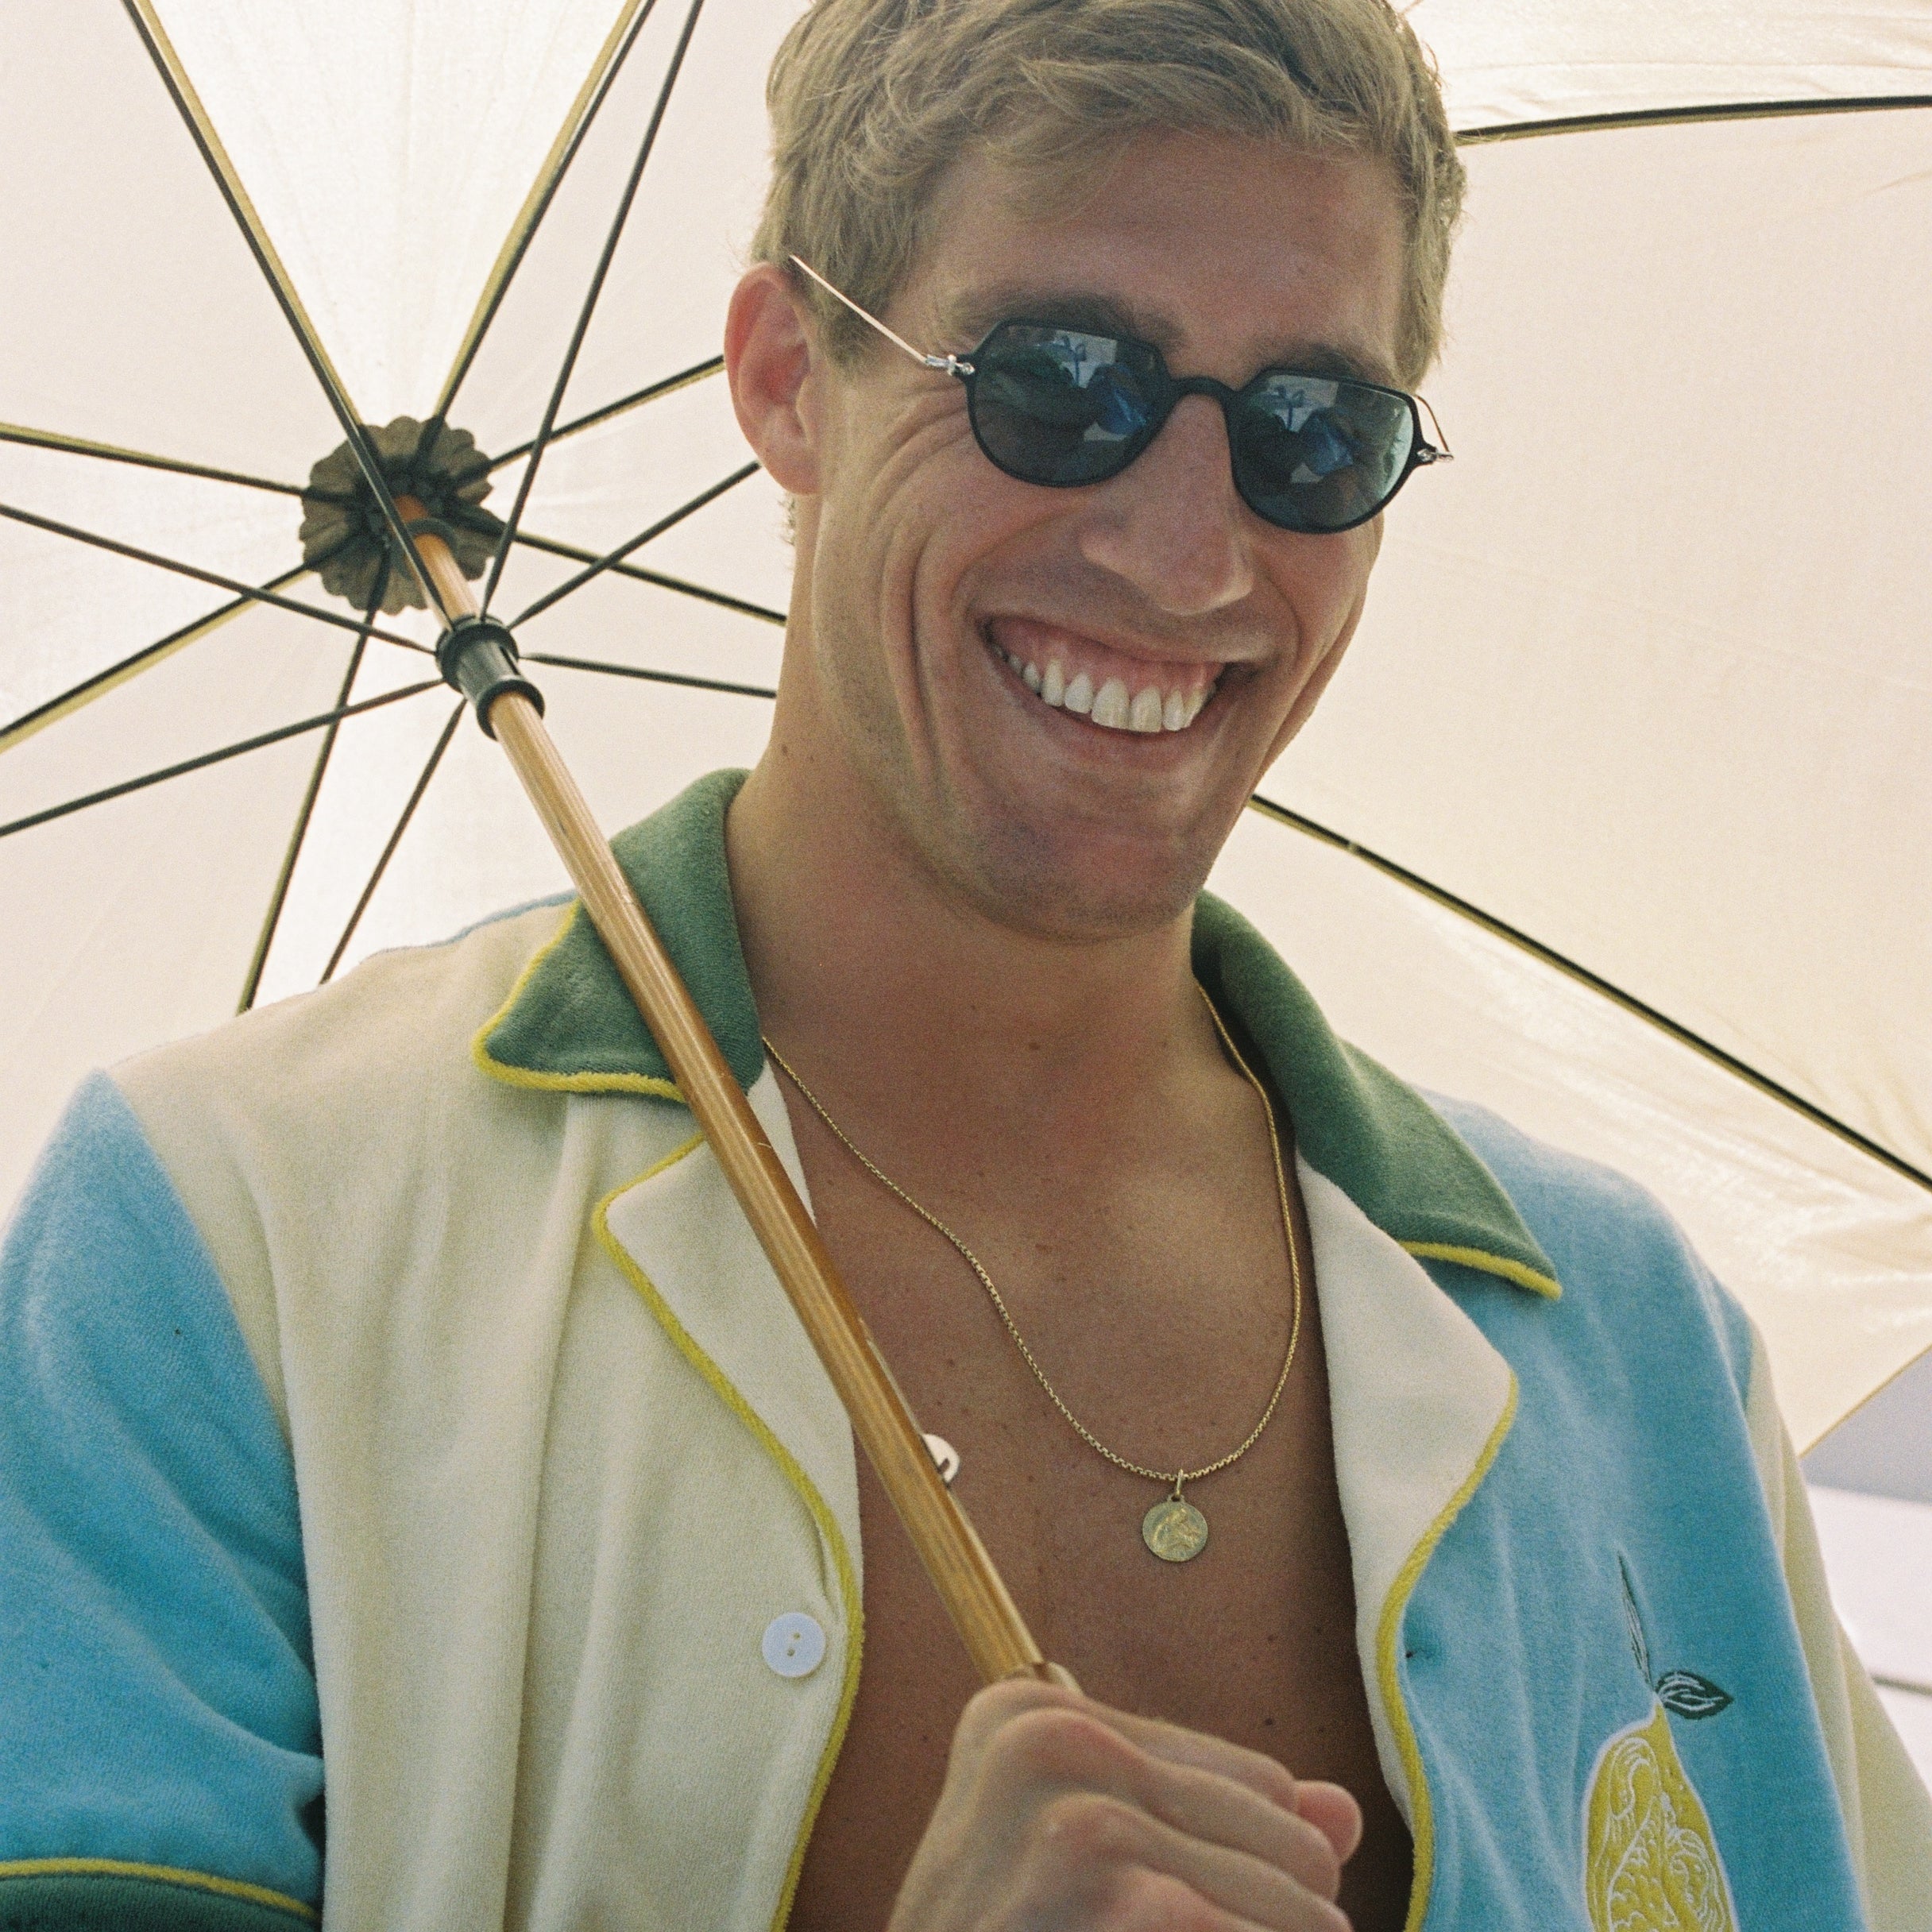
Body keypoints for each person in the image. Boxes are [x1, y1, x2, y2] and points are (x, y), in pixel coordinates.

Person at [2, 0, 1927, 1927]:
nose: (1188, 555)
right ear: (781, 379)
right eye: (1060, 381)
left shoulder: (1622, 1339)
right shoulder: (226, 1235)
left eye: (1311, 433)